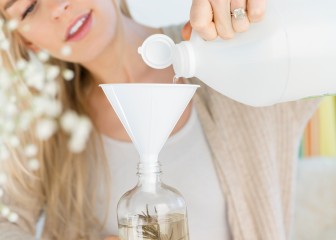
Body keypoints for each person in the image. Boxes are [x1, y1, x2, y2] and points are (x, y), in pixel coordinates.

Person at [0, 0, 319, 239]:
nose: (57, 7)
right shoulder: (42, 125)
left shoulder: (230, 51)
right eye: (28, 8)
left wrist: (264, 12)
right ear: (26, 40)